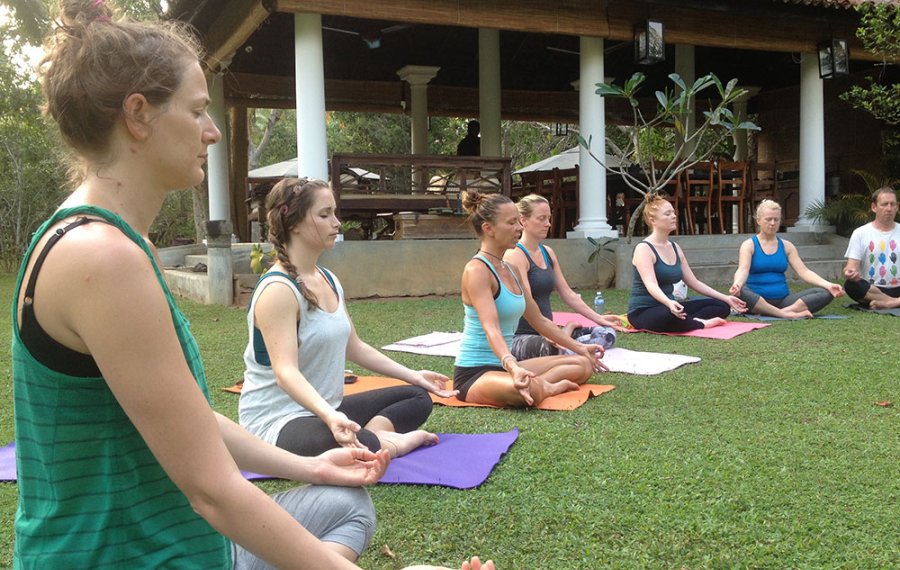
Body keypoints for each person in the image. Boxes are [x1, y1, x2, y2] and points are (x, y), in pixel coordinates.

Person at [12, 3, 491, 569]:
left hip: (180, 543)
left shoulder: (105, 239)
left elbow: (188, 417)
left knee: (342, 502)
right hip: (132, 557)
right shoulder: (102, 258)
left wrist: (311, 467)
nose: (212, 132)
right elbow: (212, 491)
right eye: (196, 112)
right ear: (138, 115)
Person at [240, 177, 456, 459]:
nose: (337, 223)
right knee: (355, 441)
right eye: (324, 214)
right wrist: (330, 416)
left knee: (416, 396)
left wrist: (414, 375)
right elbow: (285, 373)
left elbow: (354, 347)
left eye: (334, 212)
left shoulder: (328, 279)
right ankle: (385, 443)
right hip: (278, 422)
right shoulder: (278, 290)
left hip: (324, 410)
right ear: (293, 223)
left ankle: (376, 436)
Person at [454, 190, 607, 407]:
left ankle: (539, 385)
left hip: (509, 366)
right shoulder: (476, 270)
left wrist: (580, 347)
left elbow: (540, 321)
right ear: (488, 229)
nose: (519, 228)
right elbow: (492, 328)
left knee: (583, 364)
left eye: (518, 221)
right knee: (526, 391)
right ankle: (543, 387)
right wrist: (513, 367)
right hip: (475, 374)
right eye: (511, 223)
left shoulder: (512, 269)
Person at [504, 194, 623, 360]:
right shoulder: (515, 255)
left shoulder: (548, 252)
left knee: (606, 333)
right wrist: (551, 334)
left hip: (550, 332)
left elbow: (568, 294)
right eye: (541, 218)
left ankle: (566, 336)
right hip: (524, 336)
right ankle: (566, 336)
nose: (548, 224)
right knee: (549, 349)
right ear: (523, 221)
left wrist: (599, 318)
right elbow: (526, 303)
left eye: (549, 218)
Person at [628, 195, 747, 332]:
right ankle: (700, 324)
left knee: (721, 306)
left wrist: (726, 298)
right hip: (644, 311)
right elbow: (651, 285)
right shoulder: (644, 249)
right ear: (652, 220)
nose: (674, 216)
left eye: (673, 212)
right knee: (669, 315)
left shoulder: (675, 248)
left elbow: (694, 282)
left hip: (671, 306)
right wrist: (668, 302)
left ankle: (689, 320)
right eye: (668, 213)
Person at [729, 200, 843, 317]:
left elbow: (804, 272)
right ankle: (786, 314)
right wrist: (737, 284)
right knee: (741, 292)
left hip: (784, 301)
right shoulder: (749, 245)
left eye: (776, 219)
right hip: (757, 300)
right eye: (768, 219)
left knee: (825, 292)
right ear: (758, 220)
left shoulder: (787, 246)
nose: (772, 223)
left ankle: (783, 312)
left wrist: (828, 284)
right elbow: (742, 270)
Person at [842, 187, 900, 309]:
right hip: (872, 290)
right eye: (884, 204)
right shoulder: (860, 233)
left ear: (897, 207)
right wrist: (850, 273)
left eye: (892, 204)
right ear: (874, 207)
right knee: (850, 285)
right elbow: (851, 267)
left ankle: (891, 303)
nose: (889, 208)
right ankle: (893, 302)